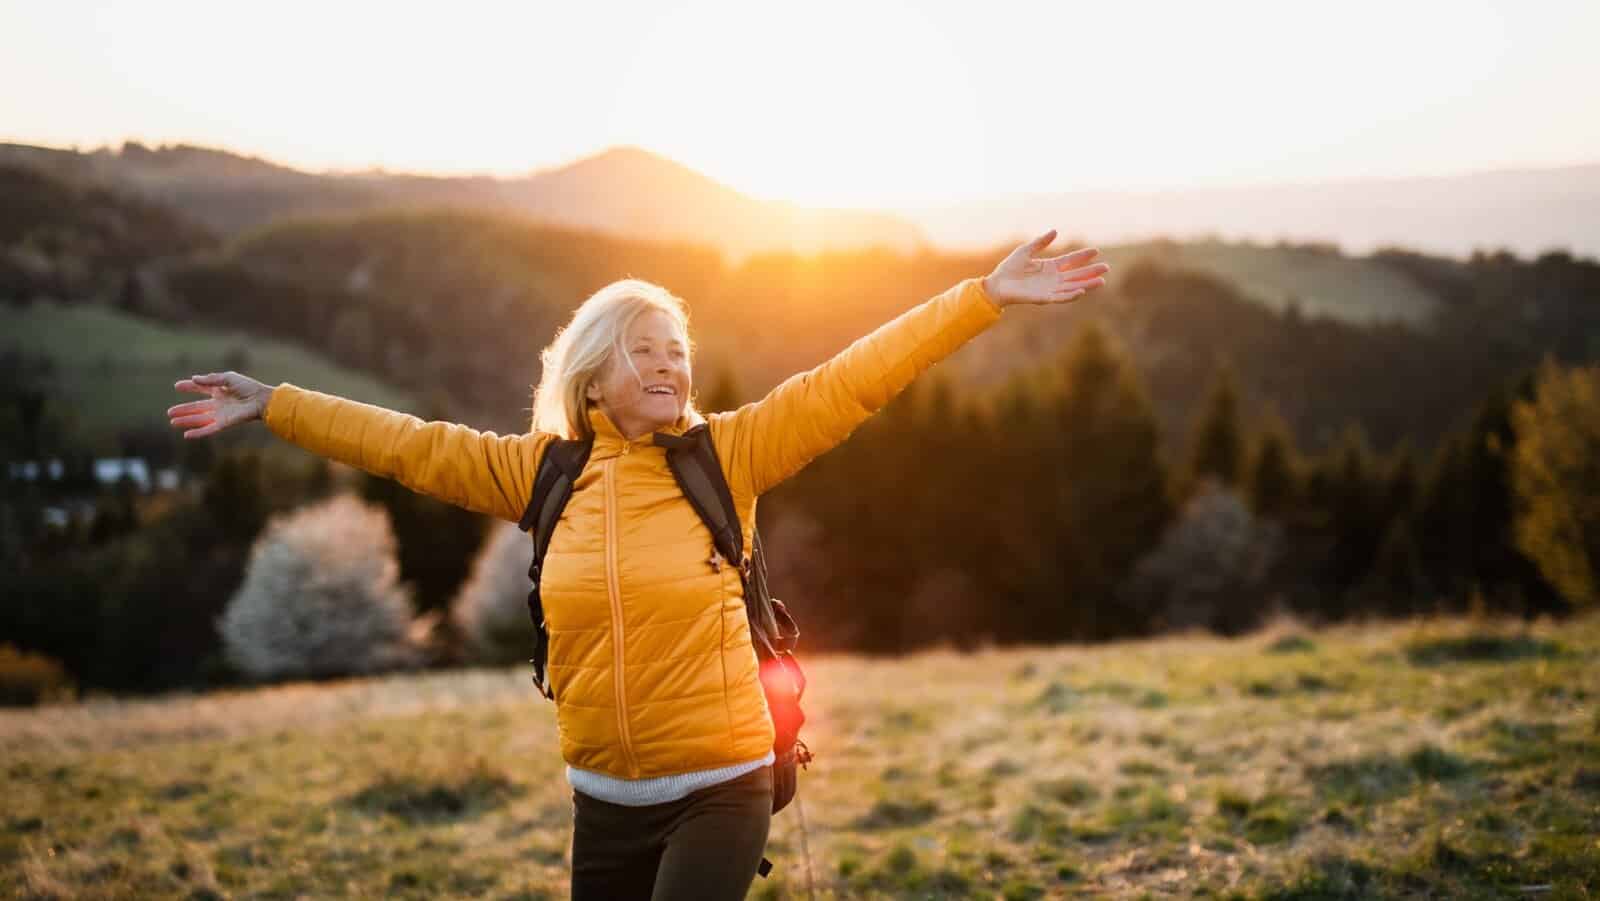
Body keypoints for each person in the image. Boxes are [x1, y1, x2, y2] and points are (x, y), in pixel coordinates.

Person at [166, 230, 1108, 899]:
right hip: (603, 799)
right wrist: (274, 403)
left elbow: (855, 377)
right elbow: (405, 445)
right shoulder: (542, 473)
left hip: (723, 783)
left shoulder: (729, 456)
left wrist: (981, 298)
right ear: (592, 374)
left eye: (677, 351)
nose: (668, 366)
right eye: (643, 350)